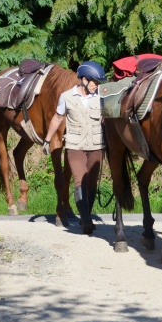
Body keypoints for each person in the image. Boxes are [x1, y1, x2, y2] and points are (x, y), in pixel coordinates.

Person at [43, 60, 106, 235]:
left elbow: (105, 119)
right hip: (75, 145)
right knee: (80, 180)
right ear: (84, 80)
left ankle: (86, 215)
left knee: (92, 183)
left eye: (98, 82)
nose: (96, 85)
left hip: (95, 145)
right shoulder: (66, 96)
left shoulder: (101, 97)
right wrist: (47, 140)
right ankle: (86, 220)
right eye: (94, 82)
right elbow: (57, 118)